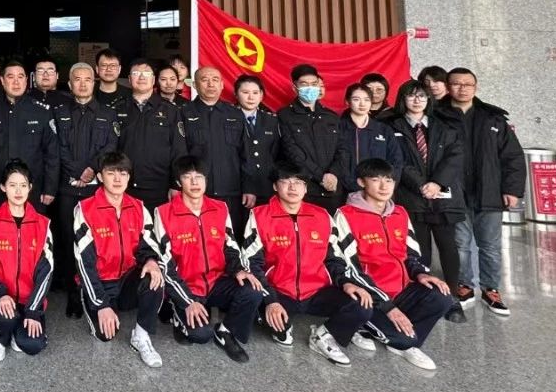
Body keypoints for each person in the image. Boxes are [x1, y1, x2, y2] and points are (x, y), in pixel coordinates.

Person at [243, 163, 373, 366]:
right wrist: (270, 300)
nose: (292, 187)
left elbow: (335, 259)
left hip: (317, 291)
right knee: (267, 319)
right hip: (279, 291)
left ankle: (324, 335)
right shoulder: (260, 215)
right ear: (275, 186)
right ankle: (282, 325)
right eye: (286, 182)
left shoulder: (322, 216)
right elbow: (252, 263)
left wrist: (346, 283)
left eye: (298, 182)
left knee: (361, 304)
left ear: (305, 188)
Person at [334, 159, 456, 371]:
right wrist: (388, 307)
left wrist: (421, 274)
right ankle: (371, 328)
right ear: (361, 182)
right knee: (402, 338)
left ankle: (404, 340)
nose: (384, 186)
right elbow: (349, 268)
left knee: (441, 295)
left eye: (389, 180)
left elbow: (411, 255)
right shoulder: (346, 215)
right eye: (376, 180)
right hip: (369, 298)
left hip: (401, 291)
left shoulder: (400, 213)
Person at [153, 155, 266, 363]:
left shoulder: (220, 208)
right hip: (187, 285)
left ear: (206, 180)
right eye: (188, 177)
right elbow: (165, 265)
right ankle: (178, 314)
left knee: (253, 289)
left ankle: (225, 331)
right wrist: (187, 301)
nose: (194, 182)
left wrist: (238, 269)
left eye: (199, 177)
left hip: (216, 282)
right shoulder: (163, 213)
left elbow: (230, 247)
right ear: (178, 181)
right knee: (200, 335)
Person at [72, 152, 167, 367]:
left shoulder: (138, 207)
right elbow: (84, 264)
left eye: (123, 173)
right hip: (100, 282)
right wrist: (101, 305)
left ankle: (141, 335)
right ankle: (104, 306)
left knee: (156, 274)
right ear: (100, 176)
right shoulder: (85, 209)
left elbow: (149, 245)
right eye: (111, 173)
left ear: (129, 177)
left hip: (126, 279)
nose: (117, 179)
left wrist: (151, 261)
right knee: (105, 335)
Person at [446, 68, 526, 318]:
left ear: (476, 87)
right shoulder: (438, 116)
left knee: (490, 246)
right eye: (457, 84)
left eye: (467, 84)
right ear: (448, 87)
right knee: (460, 245)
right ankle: (464, 286)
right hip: (455, 193)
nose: (462, 88)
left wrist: (512, 189)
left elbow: (512, 157)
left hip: (489, 192)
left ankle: (491, 289)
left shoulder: (493, 118)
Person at [389, 79, 467, 322]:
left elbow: (455, 157)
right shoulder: (392, 127)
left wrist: (437, 183)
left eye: (422, 96)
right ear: (403, 99)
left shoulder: (444, 127)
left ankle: (451, 297)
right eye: (411, 96)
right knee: (419, 249)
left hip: (442, 196)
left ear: (429, 100)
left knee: (448, 247)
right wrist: (421, 185)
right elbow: (399, 161)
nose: (417, 100)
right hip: (412, 195)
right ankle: (424, 296)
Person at [53, 62, 119, 319]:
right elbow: (57, 146)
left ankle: (96, 291)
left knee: (96, 242)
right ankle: (73, 294)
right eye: (77, 80)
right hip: (68, 189)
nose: (82, 84)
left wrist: (91, 169)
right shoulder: (59, 112)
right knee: (69, 241)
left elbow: (111, 145)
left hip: (95, 191)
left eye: (87, 79)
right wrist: (76, 172)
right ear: (70, 85)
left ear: (95, 82)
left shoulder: (108, 114)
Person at [0, 162, 53, 360]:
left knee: (32, 344)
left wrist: (33, 310)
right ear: (3, 187)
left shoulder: (42, 224)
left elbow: (46, 271)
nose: (18, 191)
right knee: (6, 319)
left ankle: (18, 328)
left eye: (23, 185)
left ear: (30, 187)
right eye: (12, 185)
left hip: (28, 298)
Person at [0, 60, 59, 210]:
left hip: (33, 189)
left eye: (20, 77)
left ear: (26, 80)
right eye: (11, 77)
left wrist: (50, 188)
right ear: (2, 81)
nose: (16, 82)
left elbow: (52, 154)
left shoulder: (42, 111)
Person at [180, 65, 248, 236]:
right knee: (200, 238)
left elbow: (245, 154)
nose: (211, 84)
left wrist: (250, 187)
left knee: (232, 237)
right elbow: (179, 153)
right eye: (204, 80)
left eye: (215, 80)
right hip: (197, 191)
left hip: (231, 190)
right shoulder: (183, 112)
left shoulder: (235, 114)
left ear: (222, 85)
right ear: (195, 85)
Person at [116, 57, 184, 211]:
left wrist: (176, 184)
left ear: (153, 80)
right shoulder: (117, 109)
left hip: (160, 187)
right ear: (129, 79)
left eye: (146, 73)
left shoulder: (171, 111)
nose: (141, 77)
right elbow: (111, 147)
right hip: (123, 187)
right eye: (136, 73)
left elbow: (179, 150)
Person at [276, 64, 346, 212]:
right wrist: (320, 177)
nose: (310, 88)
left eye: (314, 84)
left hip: (333, 188)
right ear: (295, 88)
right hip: (305, 189)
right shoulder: (284, 115)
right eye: (304, 84)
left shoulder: (331, 117)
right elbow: (292, 151)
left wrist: (333, 174)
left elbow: (342, 149)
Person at [336, 83, 403, 192]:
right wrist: (350, 185)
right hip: (344, 190)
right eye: (356, 99)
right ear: (347, 102)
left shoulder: (384, 129)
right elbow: (334, 160)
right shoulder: (337, 127)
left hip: (379, 191)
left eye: (367, 100)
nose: (362, 104)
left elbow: (396, 160)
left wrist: (387, 186)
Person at [234, 74, 280, 210]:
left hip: (266, 185)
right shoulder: (228, 118)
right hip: (237, 186)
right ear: (236, 94)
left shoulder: (271, 120)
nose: (251, 97)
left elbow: (275, 154)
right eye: (245, 92)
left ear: (261, 95)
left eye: (255, 93)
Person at [93, 48, 128, 118]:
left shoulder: (130, 96)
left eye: (113, 65)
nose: (108, 69)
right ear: (97, 69)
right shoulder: (88, 94)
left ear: (119, 69)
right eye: (104, 65)